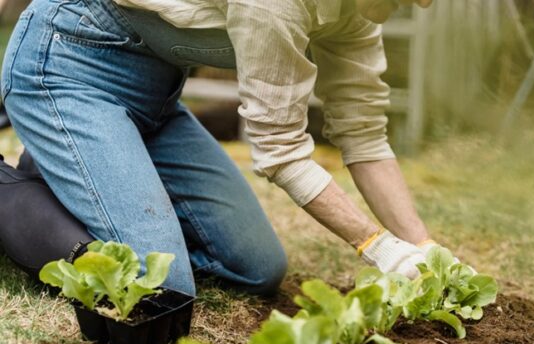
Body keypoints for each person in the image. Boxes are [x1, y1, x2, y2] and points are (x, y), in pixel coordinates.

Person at [1, 0, 457, 297]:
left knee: (257, 268)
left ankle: (62, 163)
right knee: (160, 287)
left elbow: (364, 135)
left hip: (153, 98)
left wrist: (424, 247)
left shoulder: (357, 13)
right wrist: (377, 246)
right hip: (66, 65)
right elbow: (281, 151)